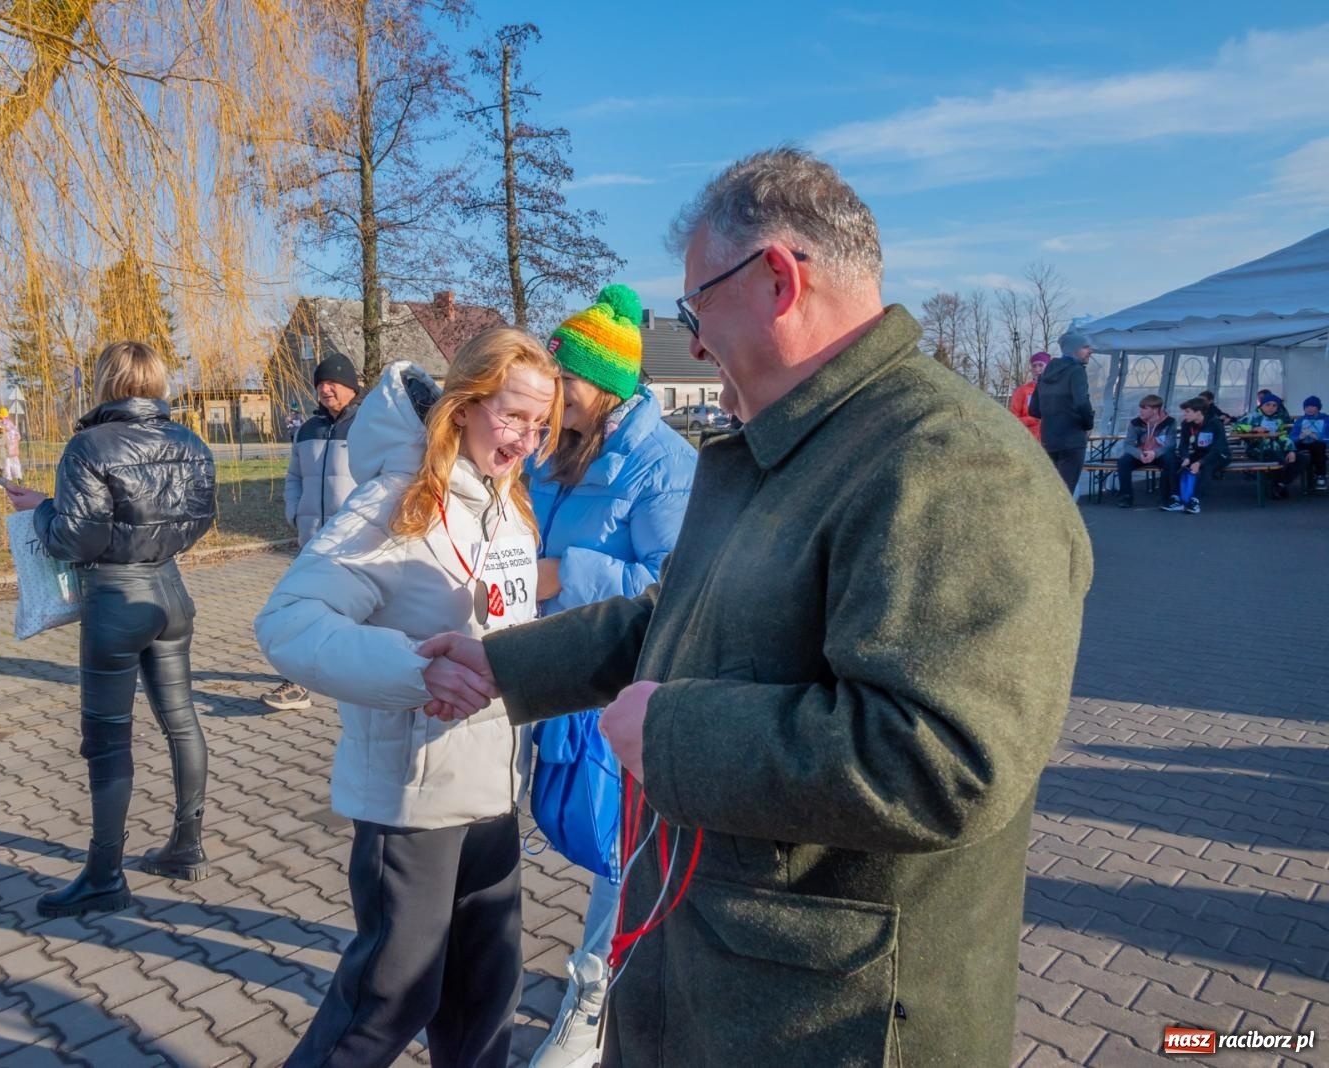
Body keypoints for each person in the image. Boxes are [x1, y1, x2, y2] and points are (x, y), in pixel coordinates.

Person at [420, 148, 1091, 1066]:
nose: (692, 345)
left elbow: (940, 758)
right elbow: (675, 617)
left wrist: (673, 735)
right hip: (732, 982)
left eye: (696, 309)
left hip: (824, 1018)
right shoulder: (799, 444)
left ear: (778, 279)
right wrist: (501, 663)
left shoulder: (949, 464)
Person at [253, 329, 563, 1068]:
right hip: (414, 806)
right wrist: (414, 670)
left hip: (493, 796)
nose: (526, 441)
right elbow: (287, 622)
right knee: (387, 1004)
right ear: (464, 406)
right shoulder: (395, 501)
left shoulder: (508, 504)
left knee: (485, 1004)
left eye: (540, 425)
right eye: (512, 417)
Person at [526, 284, 696, 1068]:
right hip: (547, 667)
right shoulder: (554, 449)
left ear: (602, 386)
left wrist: (564, 573)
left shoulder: (664, 466)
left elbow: (673, 587)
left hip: (617, 682)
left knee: (621, 850)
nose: (548, 390)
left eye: (562, 379)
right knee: (567, 826)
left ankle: (592, 1002)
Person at [3, 340, 217, 916]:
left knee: (108, 739)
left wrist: (40, 510)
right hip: (171, 592)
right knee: (181, 722)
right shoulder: (190, 442)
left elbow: (75, 538)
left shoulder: (89, 446)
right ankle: (187, 845)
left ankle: (104, 875)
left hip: (116, 600)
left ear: (106, 382)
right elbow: (199, 518)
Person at [265, 352, 365, 713]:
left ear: (351, 387)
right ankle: (298, 683)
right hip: (311, 541)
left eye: (333, 383)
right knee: (304, 611)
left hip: (355, 543)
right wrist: (295, 514)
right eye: (321, 384)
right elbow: (294, 477)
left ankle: (360, 675)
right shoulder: (307, 430)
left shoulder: (367, 427)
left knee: (355, 614)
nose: (325, 389)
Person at [1029, 329, 1095, 492]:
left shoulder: (1045, 374)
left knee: (1052, 493)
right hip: (1072, 440)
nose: (1090, 351)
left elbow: (1034, 410)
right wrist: (1088, 425)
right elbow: (1081, 403)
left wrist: (1053, 415)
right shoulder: (1076, 371)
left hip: (1049, 440)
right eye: (1085, 347)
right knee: (1065, 493)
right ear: (1074, 349)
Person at [1163, 395, 1229, 515]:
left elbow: (1218, 448)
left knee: (1207, 466)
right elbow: (1183, 445)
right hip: (1199, 453)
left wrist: (1200, 462)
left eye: (1188, 412)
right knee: (1173, 462)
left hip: (1219, 455)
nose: (1185, 415)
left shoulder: (1215, 423)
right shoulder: (1186, 424)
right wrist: (1185, 457)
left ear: (1198, 412)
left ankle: (1195, 500)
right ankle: (1176, 498)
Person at [1115, 394, 1178, 508]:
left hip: (1160, 454)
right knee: (1123, 461)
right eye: (1141, 408)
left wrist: (1155, 453)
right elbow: (1128, 444)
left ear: (1155, 410)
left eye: (1145, 408)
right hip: (1142, 454)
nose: (1141, 411)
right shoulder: (1135, 423)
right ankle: (1126, 497)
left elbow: (1171, 444)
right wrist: (1139, 454)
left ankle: (1165, 498)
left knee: (1171, 460)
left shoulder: (1170, 422)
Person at [1235, 392, 1293, 499]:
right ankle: (1274, 485)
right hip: (1257, 448)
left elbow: (1283, 436)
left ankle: (1279, 484)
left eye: (1274, 405)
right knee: (1279, 459)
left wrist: (1291, 450)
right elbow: (1235, 427)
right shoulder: (1252, 416)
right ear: (1262, 405)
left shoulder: (1278, 420)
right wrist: (1252, 429)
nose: (1271, 408)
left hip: (1276, 448)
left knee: (1301, 458)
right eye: (1268, 405)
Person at [1288, 396, 1327, 491]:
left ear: (1318, 407)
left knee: (1318, 447)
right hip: (1303, 443)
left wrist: (1316, 437)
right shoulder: (1300, 420)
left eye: (1313, 406)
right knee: (1293, 449)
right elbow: (1292, 437)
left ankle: (1320, 475)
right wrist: (1300, 437)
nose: (1309, 409)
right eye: (1307, 407)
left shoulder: (1326, 419)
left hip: (1318, 444)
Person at [1009, 352, 1048, 442]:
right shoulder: (1022, 391)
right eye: (1034, 366)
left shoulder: (1056, 390)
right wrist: (1034, 419)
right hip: (1029, 441)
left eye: (1040, 365)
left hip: (1052, 442)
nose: (1037, 369)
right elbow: (1013, 420)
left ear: (1048, 367)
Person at [0, 407, 24, 483]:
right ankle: (19, 478)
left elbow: (2, 437)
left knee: (7, 465)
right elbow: (19, 437)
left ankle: (8, 480)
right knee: (16, 463)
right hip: (15, 449)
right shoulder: (12, 425)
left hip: (7, 449)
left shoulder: (2, 425)